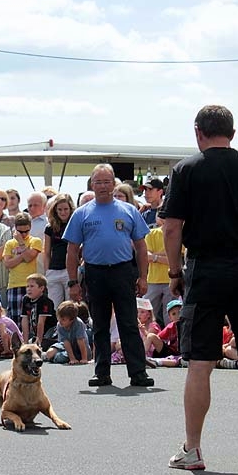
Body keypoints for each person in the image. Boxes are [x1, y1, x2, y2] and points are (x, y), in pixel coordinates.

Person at [161, 104, 238, 470]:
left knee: (200, 362)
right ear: (233, 131)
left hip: (205, 266)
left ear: (198, 132)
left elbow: (170, 227)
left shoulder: (186, 169)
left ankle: (193, 448)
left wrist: (175, 271)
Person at [65, 164, 154, 388]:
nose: (103, 186)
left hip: (123, 271)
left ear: (114, 184)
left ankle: (138, 372)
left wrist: (143, 277)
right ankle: (102, 372)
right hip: (95, 272)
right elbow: (72, 250)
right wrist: (73, 282)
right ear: (92, 185)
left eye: (107, 182)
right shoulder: (82, 213)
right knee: (100, 324)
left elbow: (141, 247)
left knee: (128, 323)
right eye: (99, 182)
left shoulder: (129, 210)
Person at [3, 213, 42, 327]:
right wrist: (22, 256)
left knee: (31, 319)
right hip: (14, 285)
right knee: (15, 319)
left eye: (26, 231)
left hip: (31, 284)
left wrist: (20, 243)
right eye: (21, 232)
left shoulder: (35, 241)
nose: (24, 234)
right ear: (15, 228)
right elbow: (7, 264)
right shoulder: (10, 243)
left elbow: (29, 258)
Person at [43, 193, 74, 309]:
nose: (63, 212)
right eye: (59, 209)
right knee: (55, 307)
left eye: (66, 209)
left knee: (70, 306)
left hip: (69, 270)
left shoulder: (75, 224)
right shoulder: (50, 227)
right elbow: (46, 252)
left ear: (70, 209)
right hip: (53, 271)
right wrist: (47, 272)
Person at [44, 300, 90, 365]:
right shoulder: (59, 325)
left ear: (72, 320)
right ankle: (46, 356)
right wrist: (72, 358)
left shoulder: (78, 324)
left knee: (60, 358)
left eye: (63, 320)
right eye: (59, 318)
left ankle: (55, 357)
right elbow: (66, 342)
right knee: (50, 354)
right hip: (67, 347)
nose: (60, 321)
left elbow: (81, 341)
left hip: (80, 349)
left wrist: (84, 358)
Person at [20, 273, 55, 348]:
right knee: (26, 343)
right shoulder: (26, 299)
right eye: (27, 286)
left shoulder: (45, 301)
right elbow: (24, 320)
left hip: (49, 331)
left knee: (44, 344)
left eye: (32, 286)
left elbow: (41, 323)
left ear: (41, 288)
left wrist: (38, 343)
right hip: (35, 332)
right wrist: (25, 342)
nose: (28, 289)